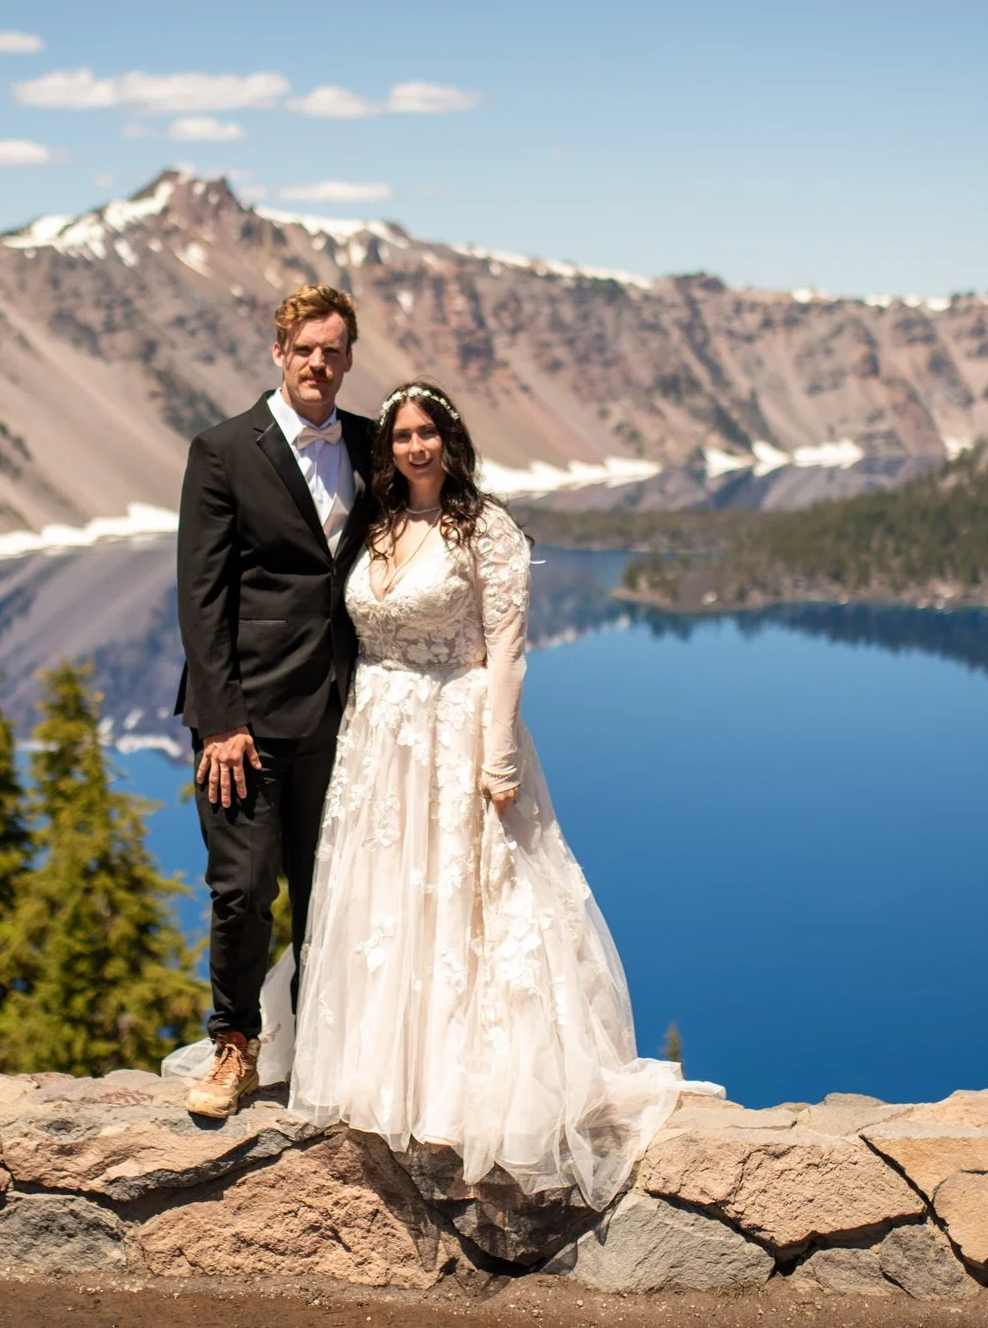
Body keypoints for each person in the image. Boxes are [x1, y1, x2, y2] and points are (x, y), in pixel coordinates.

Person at [289, 380, 698, 1207]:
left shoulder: (489, 528)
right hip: (377, 739)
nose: (414, 446)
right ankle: (381, 1080)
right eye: (401, 434)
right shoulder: (375, 525)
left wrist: (499, 755)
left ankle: (454, 1091)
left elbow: (508, 652)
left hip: (456, 730)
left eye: (428, 432)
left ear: (450, 440)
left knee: (471, 905)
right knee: (385, 908)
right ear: (389, 448)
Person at [171, 284, 374, 1120]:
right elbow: (201, 593)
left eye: (334, 350)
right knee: (244, 888)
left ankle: (325, 1050)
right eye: (305, 348)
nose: (319, 362)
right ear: (278, 351)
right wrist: (220, 720)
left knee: (331, 890)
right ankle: (235, 1045)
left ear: (348, 358)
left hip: (343, 710)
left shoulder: (371, 441)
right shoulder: (222, 449)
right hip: (245, 718)